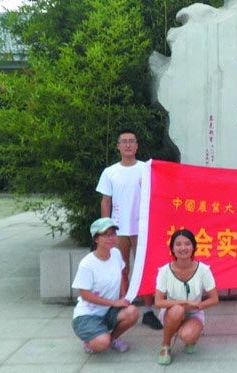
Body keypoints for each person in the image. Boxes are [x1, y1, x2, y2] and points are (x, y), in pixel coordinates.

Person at [96, 129, 163, 330]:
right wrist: (105, 229)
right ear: (118, 146)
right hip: (119, 229)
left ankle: (148, 311)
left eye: (131, 141)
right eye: (124, 141)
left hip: (142, 228)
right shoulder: (110, 172)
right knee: (121, 269)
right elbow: (106, 201)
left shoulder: (146, 169)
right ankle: (124, 308)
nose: (127, 145)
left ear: (137, 146)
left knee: (144, 270)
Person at [71, 217, 139, 353]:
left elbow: (121, 275)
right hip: (88, 315)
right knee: (101, 343)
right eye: (106, 235)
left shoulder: (116, 253)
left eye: (113, 234)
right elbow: (85, 295)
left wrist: (123, 297)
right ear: (96, 239)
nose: (111, 238)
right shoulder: (87, 264)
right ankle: (91, 338)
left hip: (109, 310)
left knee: (132, 312)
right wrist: (115, 303)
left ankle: (113, 338)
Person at [154, 229, 219, 365]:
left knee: (188, 336)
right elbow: (158, 302)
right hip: (171, 312)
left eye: (187, 244)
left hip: (194, 312)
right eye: (178, 244)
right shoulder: (164, 271)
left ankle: (187, 334)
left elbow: (214, 298)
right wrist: (185, 302)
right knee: (178, 310)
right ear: (172, 248)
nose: (183, 248)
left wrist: (199, 305)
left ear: (194, 247)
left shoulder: (203, 270)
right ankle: (166, 345)